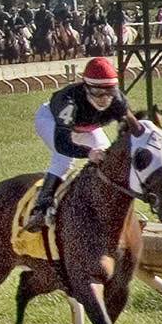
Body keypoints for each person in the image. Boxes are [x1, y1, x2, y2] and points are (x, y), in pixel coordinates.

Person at [27, 57, 129, 232]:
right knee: (64, 159)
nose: (105, 99)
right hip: (53, 121)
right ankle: (41, 208)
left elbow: (130, 130)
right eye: (98, 92)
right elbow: (62, 144)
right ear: (86, 87)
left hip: (85, 127)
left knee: (107, 156)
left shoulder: (118, 101)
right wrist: (88, 153)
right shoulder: (68, 102)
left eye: (109, 92)